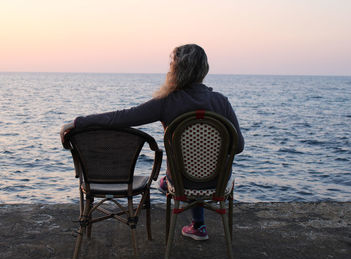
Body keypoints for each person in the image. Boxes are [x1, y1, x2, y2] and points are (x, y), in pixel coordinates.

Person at [60, 44, 244, 241]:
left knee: (173, 179)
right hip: (217, 183)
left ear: (176, 69)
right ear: (204, 69)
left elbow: (121, 117)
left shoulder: (167, 101)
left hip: (180, 183)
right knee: (198, 167)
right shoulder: (221, 102)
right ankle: (199, 226)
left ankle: (193, 219)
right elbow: (239, 146)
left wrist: (79, 122)